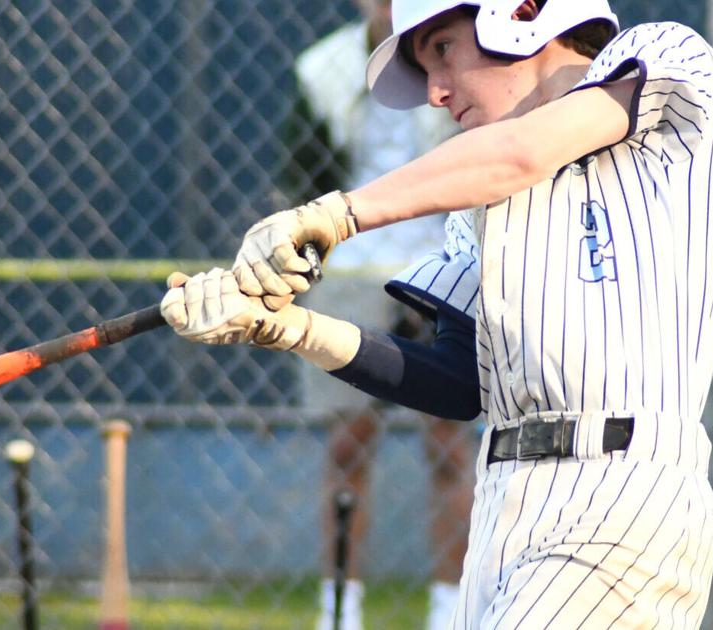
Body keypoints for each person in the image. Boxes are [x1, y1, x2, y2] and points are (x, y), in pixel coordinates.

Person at [162, 0, 713, 627]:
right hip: (502, 509)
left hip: (620, 491)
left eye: (442, 49)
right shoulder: (477, 211)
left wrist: (334, 214)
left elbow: (522, 152)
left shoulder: (668, 57)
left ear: (522, 11)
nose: (434, 92)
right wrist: (289, 329)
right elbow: (458, 381)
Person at [279, 2, 473, 628]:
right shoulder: (324, 70)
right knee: (347, 446)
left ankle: (451, 608)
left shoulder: (451, 57)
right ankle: (340, 609)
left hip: (439, 263)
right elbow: (298, 180)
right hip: (354, 267)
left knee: (449, 444)